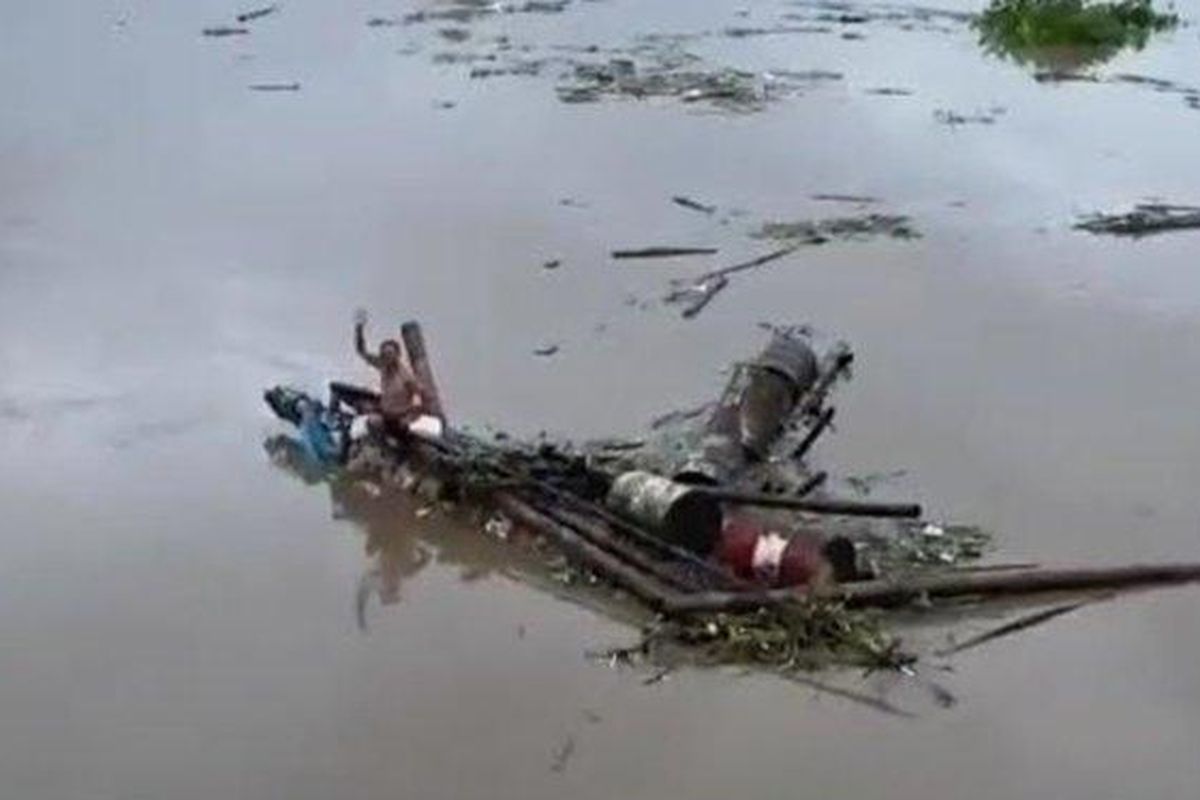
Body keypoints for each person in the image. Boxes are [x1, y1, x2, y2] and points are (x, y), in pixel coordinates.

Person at [350, 309, 424, 436]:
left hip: (401, 418)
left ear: (397, 355)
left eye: (390, 354)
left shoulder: (405, 375)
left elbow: (418, 398)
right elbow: (361, 351)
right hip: (385, 413)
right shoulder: (383, 366)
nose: (387, 357)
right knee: (370, 419)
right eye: (384, 354)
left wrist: (410, 418)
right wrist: (359, 328)